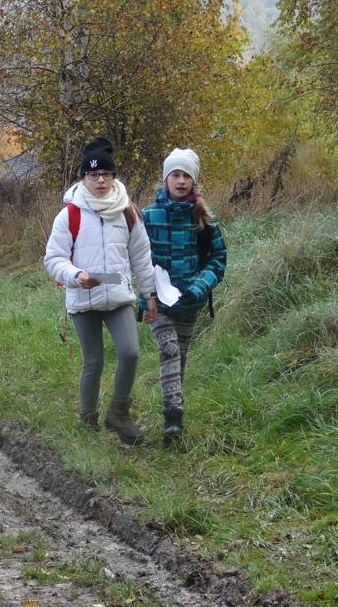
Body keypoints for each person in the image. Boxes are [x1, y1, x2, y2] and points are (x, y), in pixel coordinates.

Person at [44, 138, 158, 445]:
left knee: (130, 353)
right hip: (83, 298)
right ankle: (88, 420)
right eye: (93, 175)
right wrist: (75, 275)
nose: (101, 181)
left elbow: (142, 258)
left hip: (118, 296)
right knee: (93, 361)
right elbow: (53, 259)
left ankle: (118, 414)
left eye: (106, 174)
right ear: (84, 178)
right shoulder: (70, 215)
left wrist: (150, 295)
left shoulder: (128, 212)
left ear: (113, 176)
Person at [141, 148, 227, 444]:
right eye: (175, 175)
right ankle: (173, 417)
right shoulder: (148, 217)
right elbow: (136, 260)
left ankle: (175, 418)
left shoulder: (203, 218)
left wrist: (198, 288)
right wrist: (144, 298)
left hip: (190, 301)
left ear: (193, 181)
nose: (180, 181)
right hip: (157, 302)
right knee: (169, 349)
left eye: (186, 176)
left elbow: (218, 260)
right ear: (165, 179)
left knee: (180, 358)